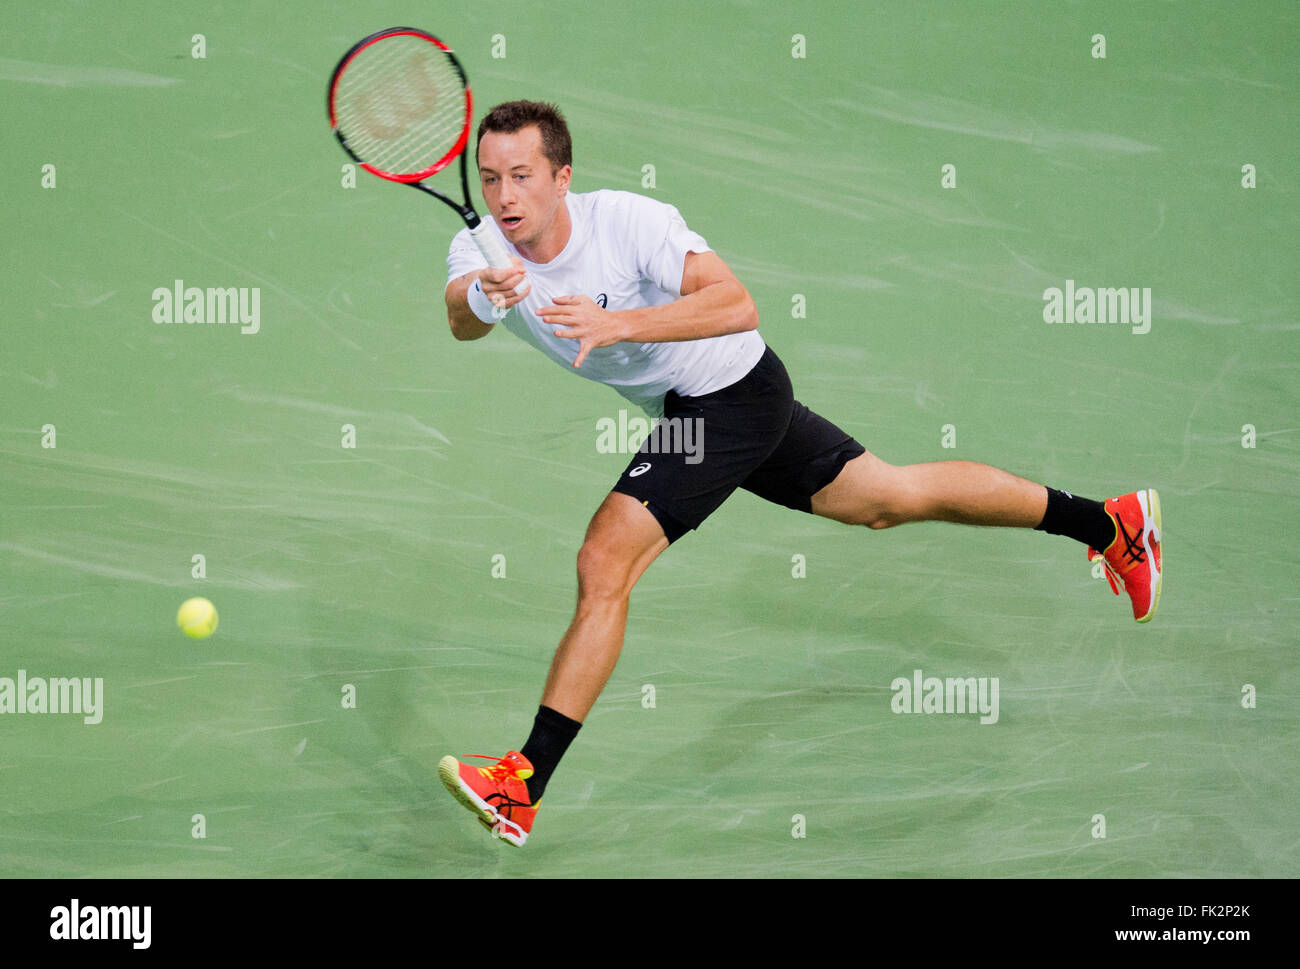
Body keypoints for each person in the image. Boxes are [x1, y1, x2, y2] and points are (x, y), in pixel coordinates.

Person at [437, 100, 1162, 847]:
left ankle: (524, 782)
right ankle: (1111, 524)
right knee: (887, 496)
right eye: (491, 178)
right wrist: (485, 299)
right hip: (712, 404)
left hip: (730, 395)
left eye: (522, 176)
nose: (505, 197)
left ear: (562, 177)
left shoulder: (626, 222)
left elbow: (737, 303)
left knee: (605, 556)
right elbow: (460, 318)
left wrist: (618, 320)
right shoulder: (482, 246)